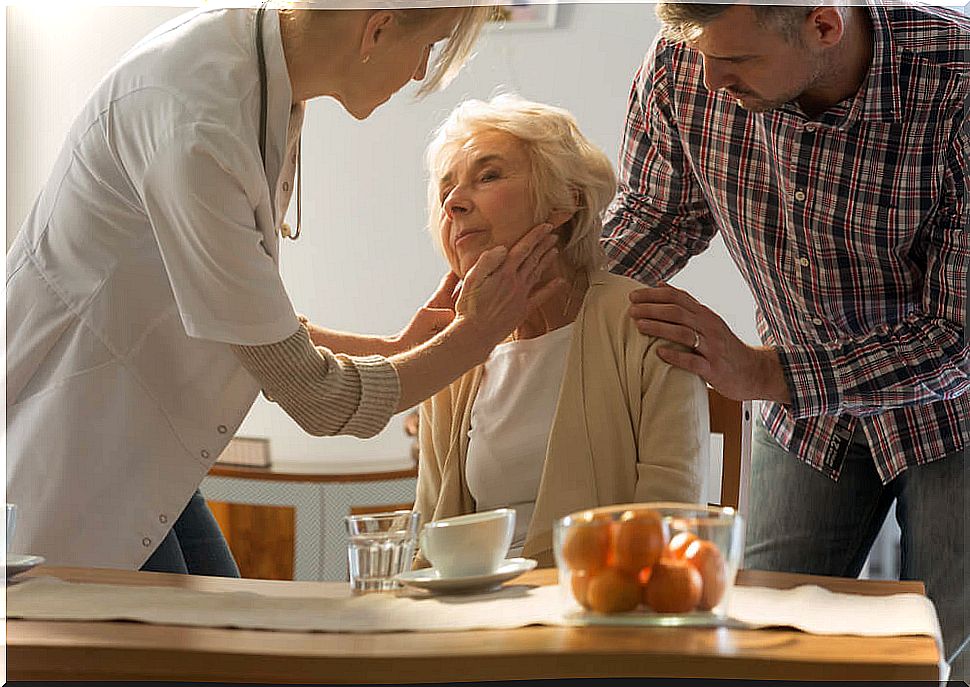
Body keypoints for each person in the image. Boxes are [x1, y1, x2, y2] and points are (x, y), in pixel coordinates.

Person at [5, 3, 565, 577]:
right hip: (80, 448)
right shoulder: (196, 118)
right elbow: (311, 393)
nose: (420, 72)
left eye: (491, 175)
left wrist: (401, 347)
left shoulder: (253, 75)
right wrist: (476, 337)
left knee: (223, 642)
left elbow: (246, 320)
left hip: (143, 446)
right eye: (429, 46)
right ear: (376, 28)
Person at [602, 1, 968, 679]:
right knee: (761, 647)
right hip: (803, 414)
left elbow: (957, 338)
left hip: (954, 416)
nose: (707, 79)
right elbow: (658, 217)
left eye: (736, 61)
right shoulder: (688, 60)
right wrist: (530, 306)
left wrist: (766, 373)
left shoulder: (958, 82)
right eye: (697, 52)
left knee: (942, 654)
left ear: (824, 25)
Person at [414, 95, 711, 566]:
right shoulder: (451, 353)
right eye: (446, 189)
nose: (453, 202)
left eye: (488, 175)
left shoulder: (647, 325)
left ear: (565, 202)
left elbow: (667, 522)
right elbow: (429, 542)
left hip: (600, 607)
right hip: (474, 615)